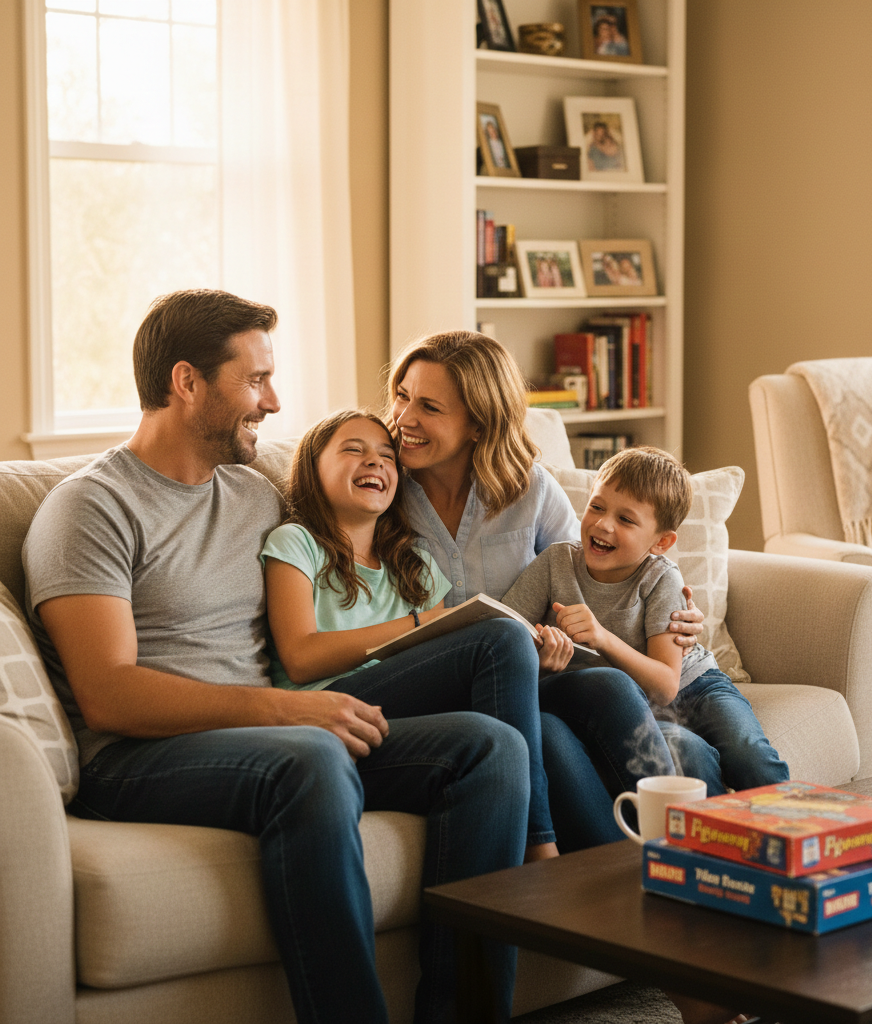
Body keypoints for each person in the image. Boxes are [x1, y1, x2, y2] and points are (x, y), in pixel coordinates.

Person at [22, 290, 532, 1024]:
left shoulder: (255, 495)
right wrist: (294, 709)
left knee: (490, 747)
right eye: (255, 380)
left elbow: (356, 529)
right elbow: (110, 696)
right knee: (311, 756)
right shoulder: (92, 508)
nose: (274, 399)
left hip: (270, 735)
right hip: (138, 757)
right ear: (186, 382)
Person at [385, 330, 706, 852]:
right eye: (402, 395)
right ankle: (590, 867)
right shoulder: (383, 488)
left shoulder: (528, 489)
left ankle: (670, 852)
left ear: (477, 423)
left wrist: (679, 614)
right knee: (553, 734)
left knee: (607, 691)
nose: (403, 417)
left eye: (429, 406)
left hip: (531, 679)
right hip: (439, 682)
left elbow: (593, 573)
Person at [261, 407, 558, 860]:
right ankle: (541, 848)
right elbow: (301, 657)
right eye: (353, 450)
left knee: (514, 737)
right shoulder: (296, 542)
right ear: (312, 467)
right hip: (326, 703)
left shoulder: (415, 565)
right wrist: (419, 623)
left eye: (386, 456)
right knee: (502, 637)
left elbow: (436, 669)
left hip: (399, 713)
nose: (375, 462)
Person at [502, 445, 790, 798]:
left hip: (695, 687)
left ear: (662, 542)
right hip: (630, 706)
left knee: (751, 756)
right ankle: (712, 840)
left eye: (626, 519)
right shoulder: (556, 563)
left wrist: (602, 637)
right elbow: (506, 628)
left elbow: (666, 685)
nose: (603, 524)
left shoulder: (660, 578)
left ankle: (802, 835)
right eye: (596, 506)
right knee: (691, 759)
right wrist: (542, 659)